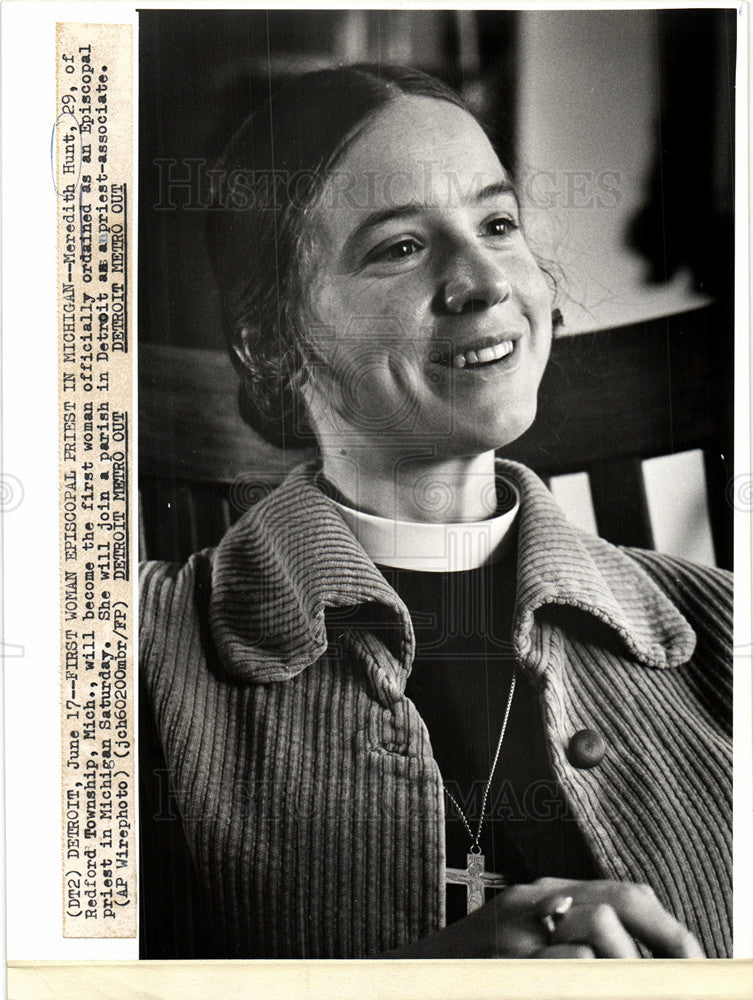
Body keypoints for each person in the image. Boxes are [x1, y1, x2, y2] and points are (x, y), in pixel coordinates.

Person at [139, 64, 732, 960]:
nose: (482, 281)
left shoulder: (722, 627)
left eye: (497, 224)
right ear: (271, 341)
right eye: (399, 248)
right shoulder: (124, 651)